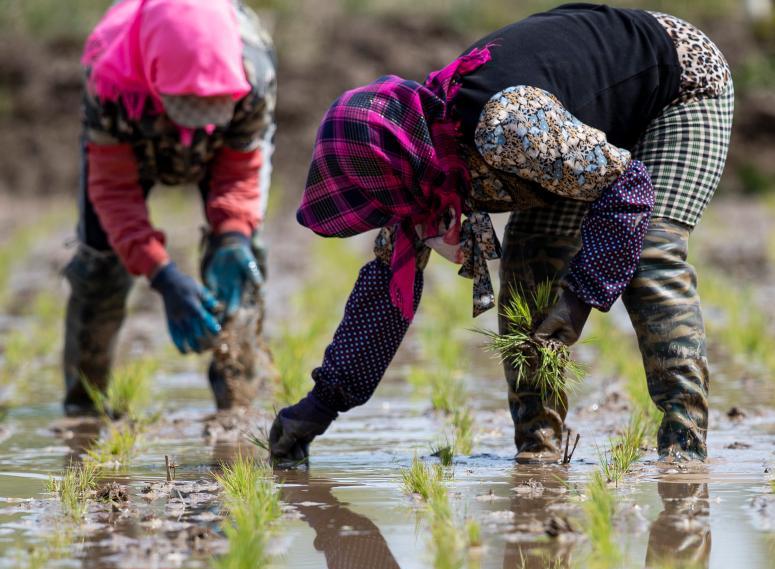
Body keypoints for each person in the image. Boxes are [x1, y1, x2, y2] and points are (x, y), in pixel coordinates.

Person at [270, 4, 733, 463]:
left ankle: (683, 448)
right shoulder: (420, 169)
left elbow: (627, 186)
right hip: (578, 130)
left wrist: (580, 299)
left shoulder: (505, 127)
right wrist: (320, 406)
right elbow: (384, 301)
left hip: (677, 82)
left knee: (650, 255)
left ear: (396, 167)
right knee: (530, 265)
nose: (392, 214)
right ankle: (538, 449)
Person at [63, 0, 276, 416]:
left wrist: (233, 233)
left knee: (241, 259)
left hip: (225, 142)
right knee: (100, 261)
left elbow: (242, 169)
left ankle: (236, 407)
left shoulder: (254, 71)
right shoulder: (108, 78)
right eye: (188, 109)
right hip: (135, 128)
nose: (195, 128)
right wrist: (162, 275)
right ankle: (83, 407)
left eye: (207, 111)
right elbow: (114, 192)